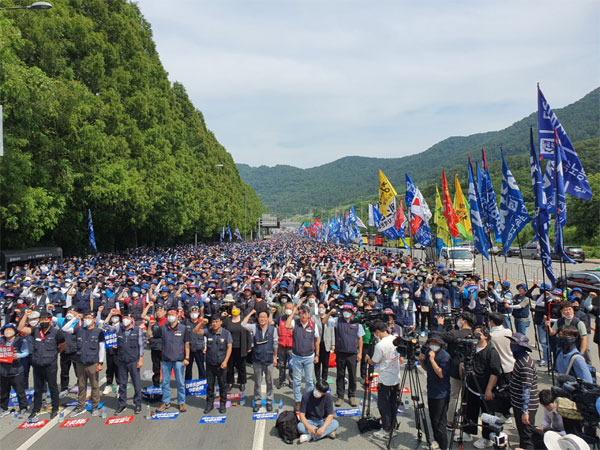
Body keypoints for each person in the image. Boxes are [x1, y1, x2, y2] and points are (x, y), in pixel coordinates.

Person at [18, 310, 65, 421]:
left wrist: (53, 354)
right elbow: (20, 328)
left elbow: (62, 346)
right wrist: (25, 315)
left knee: (53, 387)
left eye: (46, 319)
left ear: (50, 320)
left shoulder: (56, 332)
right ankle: (36, 410)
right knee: (38, 389)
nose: (44, 321)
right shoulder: (35, 331)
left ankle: (54, 408)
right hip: (37, 364)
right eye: (42, 319)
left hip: (50, 365)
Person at [461, 326, 502, 449]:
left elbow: (495, 372)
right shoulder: (471, 348)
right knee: (469, 409)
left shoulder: (491, 351)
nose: (476, 335)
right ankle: (468, 431)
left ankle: (487, 437)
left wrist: (489, 389)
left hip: (484, 387)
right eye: (475, 333)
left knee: (487, 413)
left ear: (485, 336)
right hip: (471, 386)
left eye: (479, 333)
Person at [364, 320, 403, 441]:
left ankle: (386, 429)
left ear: (377, 332)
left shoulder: (379, 345)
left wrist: (367, 359)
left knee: (383, 405)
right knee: (392, 403)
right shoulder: (396, 338)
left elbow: (374, 362)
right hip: (395, 377)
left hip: (385, 379)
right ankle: (392, 425)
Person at [62, 311, 105, 417]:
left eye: (90, 317)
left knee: (95, 385)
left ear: (94, 320)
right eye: (86, 317)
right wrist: (75, 318)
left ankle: (95, 406)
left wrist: (100, 362)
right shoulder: (79, 329)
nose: (87, 319)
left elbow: (102, 348)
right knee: (81, 385)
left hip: (93, 362)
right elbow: (65, 329)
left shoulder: (99, 332)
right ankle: (80, 406)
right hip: (80, 362)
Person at [147, 309, 190, 413]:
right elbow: (150, 335)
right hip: (166, 359)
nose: (171, 316)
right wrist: (149, 326)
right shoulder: (163, 328)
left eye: (173, 314)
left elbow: (187, 344)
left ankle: (181, 402)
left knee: (180, 382)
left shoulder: (183, 328)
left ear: (177, 316)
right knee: (165, 382)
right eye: (169, 315)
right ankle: (166, 402)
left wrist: (187, 358)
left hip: (179, 359)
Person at [102, 309, 144, 414]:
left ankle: (137, 403)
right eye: (124, 318)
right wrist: (110, 314)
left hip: (133, 360)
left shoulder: (137, 330)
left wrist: (141, 359)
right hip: (122, 360)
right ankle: (122, 404)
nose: (125, 320)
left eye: (128, 318)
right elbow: (105, 325)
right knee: (122, 384)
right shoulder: (118, 329)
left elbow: (141, 346)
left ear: (132, 320)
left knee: (136, 383)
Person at [323, 303, 363, 407]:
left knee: (353, 376)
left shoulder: (357, 323)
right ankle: (340, 396)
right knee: (340, 375)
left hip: (352, 353)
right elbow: (324, 321)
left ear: (352, 313)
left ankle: (351, 396)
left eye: (349, 311)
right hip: (340, 352)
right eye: (345, 310)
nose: (347, 313)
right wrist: (329, 313)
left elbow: (360, 339)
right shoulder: (337, 320)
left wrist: (360, 353)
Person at [441, 311, 475, 428]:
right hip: (471, 369)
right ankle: (465, 418)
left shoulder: (455, 334)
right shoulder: (475, 335)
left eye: (459, 319)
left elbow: (440, 338)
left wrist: (442, 325)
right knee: (466, 396)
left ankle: (450, 421)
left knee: (453, 396)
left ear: (463, 321)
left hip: (455, 369)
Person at [286, 301, 320, 412]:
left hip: (309, 357)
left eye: (305, 313)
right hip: (297, 357)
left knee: (309, 381)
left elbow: (317, 341)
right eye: (301, 313)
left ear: (308, 314)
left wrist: (317, 355)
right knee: (297, 381)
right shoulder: (295, 322)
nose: (303, 315)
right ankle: (298, 401)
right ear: (299, 314)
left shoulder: (313, 325)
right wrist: (294, 311)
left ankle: (309, 400)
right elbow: (287, 325)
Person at [418, 332, 451, 450]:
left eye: (436, 343)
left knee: (440, 422)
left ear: (440, 344)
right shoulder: (428, 352)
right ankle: (436, 441)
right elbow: (427, 369)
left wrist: (432, 360)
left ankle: (444, 446)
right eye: (431, 342)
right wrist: (422, 361)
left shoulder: (445, 356)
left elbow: (441, 374)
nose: (433, 344)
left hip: (441, 394)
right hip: (431, 390)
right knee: (433, 419)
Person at [194, 315, 232, 414]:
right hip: (210, 364)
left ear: (220, 323)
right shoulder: (208, 332)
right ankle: (209, 404)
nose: (214, 324)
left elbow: (229, 348)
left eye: (216, 321)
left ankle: (222, 403)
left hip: (221, 364)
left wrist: (225, 361)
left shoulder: (226, 333)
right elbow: (196, 331)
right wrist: (201, 323)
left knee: (223, 385)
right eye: (213, 322)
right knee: (210, 386)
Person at [507, 332, 539, 449]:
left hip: (525, 406)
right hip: (518, 403)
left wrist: (525, 411)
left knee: (527, 437)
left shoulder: (525, 364)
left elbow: (527, 388)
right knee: (523, 434)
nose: (511, 344)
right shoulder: (520, 360)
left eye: (514, 342)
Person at [242, 309, 278, 412]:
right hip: (257, 359)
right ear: (258, 319)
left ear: (267, 319)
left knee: (269, 382)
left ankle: (269, 401)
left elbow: (275, 344)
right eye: (260, 317)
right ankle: (257, 401)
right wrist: (250, 313)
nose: (262, 319)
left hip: (269, 359)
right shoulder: (254, 327)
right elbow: (243, 324)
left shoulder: (273, 329)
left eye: (264, 317)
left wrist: (275, 357)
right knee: (257, 382)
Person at [488, 312, 515, 420]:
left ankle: (504, 413)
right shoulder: (508, 331)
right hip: (510, 363)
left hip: (500, 366)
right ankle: (506, 412)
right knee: (508, 390)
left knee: (501, 392)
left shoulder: (492, 336)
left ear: (492, 322)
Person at [0, 323, 29, 417]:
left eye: (10, 329)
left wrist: (18, 355)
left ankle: (23, 407)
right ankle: (3, 408)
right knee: (3, 392)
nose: (8, 331)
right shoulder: (1, 340)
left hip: (16, 371)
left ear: (15, 331)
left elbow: (26, 352)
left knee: (20, 391)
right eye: (6, 330)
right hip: (3, 371)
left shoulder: (21, 341)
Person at [223, 304, 252, 393]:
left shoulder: (243, 319)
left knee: (241, 366)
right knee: (230, 366)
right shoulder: (227, 320)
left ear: (240, 310)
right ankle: (230, 382)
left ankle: (242, 382)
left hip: (241, 346)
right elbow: (222, 330)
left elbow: (248, 333)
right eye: (233, 308)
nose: (234, 310)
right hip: (230, 347)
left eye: (236, 308)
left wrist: (249, 346)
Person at [312, 301, 334, 384]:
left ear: (326, 308)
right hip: (317, 343)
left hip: (326, 343)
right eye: (319, 307)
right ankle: (317, 379)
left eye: (322, 307)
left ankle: (324, 379)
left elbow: (332, 331)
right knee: (317, 363)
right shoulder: (314, 317)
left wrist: (333, 344)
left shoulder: (330, 318)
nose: (321, 309)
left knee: (325, 363)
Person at [274, 300, 294, 389]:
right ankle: (281, 381)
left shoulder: (296, 319)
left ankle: (291, 382)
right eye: (287, 308)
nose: (288, 310)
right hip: (281, 345)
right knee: (281, 365)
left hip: (291, 347)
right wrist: (271, 313)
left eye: (290, 308)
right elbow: (271, 322)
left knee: (291, 366)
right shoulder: (280, 318)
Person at [184, 305, 205, 380]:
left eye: (196, 312)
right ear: (189, 313)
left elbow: (206, 335)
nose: (194, 313)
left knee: (201, 367)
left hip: (199, 348)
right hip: (188, 348)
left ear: (199, 313)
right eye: (192, 312)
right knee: (188, 368)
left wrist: (205, 347)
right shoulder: (186, 322)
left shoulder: (202, 323)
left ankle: (202, 383)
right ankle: (188, 383)